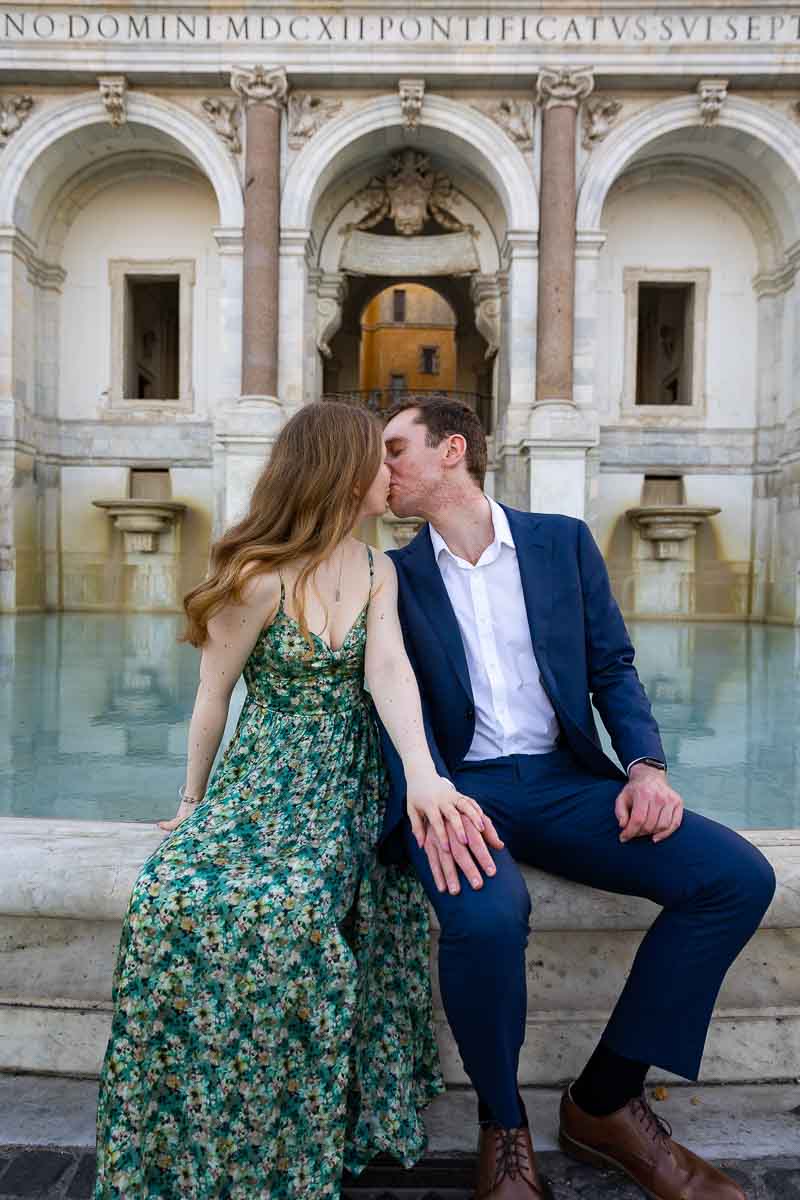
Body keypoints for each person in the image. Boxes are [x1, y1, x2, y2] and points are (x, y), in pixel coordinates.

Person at [93, 401, 497, 1199]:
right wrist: (191, 802)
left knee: (295, 906)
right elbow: (212, 697)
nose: (393, 472)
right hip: (266, 777)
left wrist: (422, 773)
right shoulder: (257, 575)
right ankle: (201, 1129)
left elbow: (389, 673)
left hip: (350, 780)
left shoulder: (380, 566)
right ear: (341, 473)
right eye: (379, 460)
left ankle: (298, 1123)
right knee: (176, 895)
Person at [379, 397, 777, 1200]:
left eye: (395, 449)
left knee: (736, 879)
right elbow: (384, 703)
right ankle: (504, 1127)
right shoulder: (389, 573)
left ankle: (605, 1103)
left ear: (452, 450)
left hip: (565, 781)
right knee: (488, 919)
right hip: (460, 791)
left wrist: (645, 766)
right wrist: (428, 795)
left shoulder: (560, 542)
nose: (380, 468)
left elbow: (613, 667)